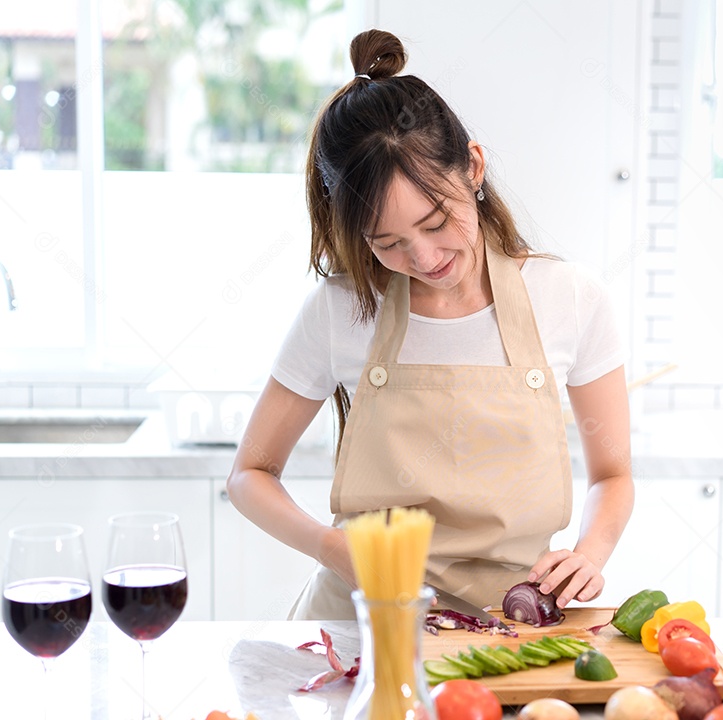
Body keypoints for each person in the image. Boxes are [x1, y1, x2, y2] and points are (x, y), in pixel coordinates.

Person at [226, 28, 634, 620]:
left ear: (472, 165)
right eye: (387, 242)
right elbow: (249, 474)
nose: (423, 258)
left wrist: (590, 553)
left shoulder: (570, 298)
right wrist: (331, 548)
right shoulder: (340, 310)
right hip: (360, 621)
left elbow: (613, 474)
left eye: (436, 220)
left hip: (510, 628)